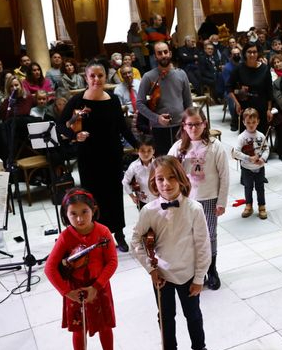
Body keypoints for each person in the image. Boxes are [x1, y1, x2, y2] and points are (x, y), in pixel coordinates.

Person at [132, 155, 217, 350]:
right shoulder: (148, 211)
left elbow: (203, 245)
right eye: (160, 179)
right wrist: (151, 269)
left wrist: (199, 278)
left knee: (193, 315)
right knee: (166, 317)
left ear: (181, 179)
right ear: (153, 182)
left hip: (188, 274)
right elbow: (136, 240)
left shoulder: (194, 209)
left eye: (171, 178)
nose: (166, 184)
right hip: (162, 276)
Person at [44, 188, 122, 350]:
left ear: (93, 210)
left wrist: (97, 286)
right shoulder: (65, 237)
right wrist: (66, 292)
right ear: (65, 215)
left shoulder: (103, 232)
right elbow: (49, 268)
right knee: (79, 331)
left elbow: (112, 262)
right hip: (75, 291)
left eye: (84, 212)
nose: (79, 219)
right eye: (73, 214)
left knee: (105, 326)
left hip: (99, 288)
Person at [57, 61, 138, 252]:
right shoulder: (77, 100)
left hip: (111, 155)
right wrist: (74, 135)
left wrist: (137, 145)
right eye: (92, 76)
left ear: (105, 77)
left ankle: (118, 233)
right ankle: (96, 236)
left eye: (100, 75)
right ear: (86, 78)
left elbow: (122, 127)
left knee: (114, 195)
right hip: (88, 156)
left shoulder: (113, 99)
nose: (96, 79)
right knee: (91, 197)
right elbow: (60, 125)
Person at [168, 107, 229, 290]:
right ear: (184, 126)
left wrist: (221, 201)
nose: (193, 128)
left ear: (205, 124)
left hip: (209, 198)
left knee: (210, 235)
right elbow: (167, 169)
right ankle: (195, 271)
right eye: (190, 125)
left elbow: (224, 175)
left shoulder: (215, 146)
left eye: (197, 124)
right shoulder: (178, 147)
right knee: (190, 236)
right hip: (187, 201)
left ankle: (212, 270)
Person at [136, 42, 193, 156]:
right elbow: (139, 104)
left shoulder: (181, 74)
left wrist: (188, 123)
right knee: (163, 160)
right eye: (159, 53)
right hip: (159, 128)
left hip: (180, 126)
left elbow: (188, 102)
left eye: (165, 52)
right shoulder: (148, 77)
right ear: (155, 56)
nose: (163, 55)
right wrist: (157, 118)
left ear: (170, 53)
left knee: (182, 158)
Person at [232, 108, 270, 219]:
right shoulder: (241, 137)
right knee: (248, 187)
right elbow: (236, 153)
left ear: (258, 121)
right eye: (248, 122)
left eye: (253, 122)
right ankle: (248, 205)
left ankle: (262, 206)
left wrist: (263, 159)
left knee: (260, 187)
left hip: (260, 167)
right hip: (247, 168)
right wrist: (249, 158)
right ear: (243, 122)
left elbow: (266, 149)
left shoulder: (261, 136)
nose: (251, 125)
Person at [228, 42, 274, 134]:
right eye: (249, 52)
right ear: (245, 53)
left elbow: (269, 90)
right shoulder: (238, 68)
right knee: (246, 137)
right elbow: (229, 87)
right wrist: (237, 103)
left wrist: (269, 109)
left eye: (254, 52)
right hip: (245, 106)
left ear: (258, 53)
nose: (252, 54)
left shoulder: (265, 69)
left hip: (261, 106)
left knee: (261, 135)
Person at [122, 135, 157, 210]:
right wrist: (132, 196)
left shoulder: (158, 164)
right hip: (142, 200)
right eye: (142, 151)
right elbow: (125, 181)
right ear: (137, 151)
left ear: (153, 151)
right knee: (144, 216)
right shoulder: (134, 166)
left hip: (158, 199)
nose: (146, 154)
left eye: (149, 150)